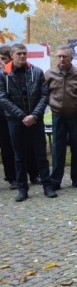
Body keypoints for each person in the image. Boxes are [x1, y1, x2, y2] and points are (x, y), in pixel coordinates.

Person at [0, 44, 57, 201]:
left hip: (35, 120)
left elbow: (44, 95)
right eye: (19, 53)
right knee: (19, 156)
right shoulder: (3, 75)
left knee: (41, 154)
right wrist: (21, 116)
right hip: (15, 121)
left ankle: (47, 186)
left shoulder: (36, 72)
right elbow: (3, 97)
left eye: (25, 53)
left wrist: (34, 115)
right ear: (12, 55)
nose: (23, 56)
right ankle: (22, 189)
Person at [45, 45, 77, 189]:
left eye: (65, 56)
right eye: (59, 56)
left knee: (76, 147)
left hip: (76, 116)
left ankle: (76, 179)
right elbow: (45, 94)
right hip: (58, 116)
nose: (62, 59)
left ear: (71, 58)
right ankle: (56, 180)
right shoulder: (49, 74)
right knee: (58, 148)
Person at [0, 46, 16, 188]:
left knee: (8, 148)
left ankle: (12, 177)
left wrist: (5, 69)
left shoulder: (10, 73)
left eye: (3, 59)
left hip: (6, 115)